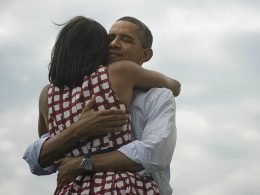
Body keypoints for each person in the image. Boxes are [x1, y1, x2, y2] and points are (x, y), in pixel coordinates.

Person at [24, 16, 179, 195]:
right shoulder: (117, 76)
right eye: (109, 39)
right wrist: (78, 129)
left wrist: (82, 162)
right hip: (122, 187)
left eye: (126, 39)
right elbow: (41, 157)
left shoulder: (157, 97)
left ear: (146, 55)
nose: (114, 44)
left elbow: (154, 154)